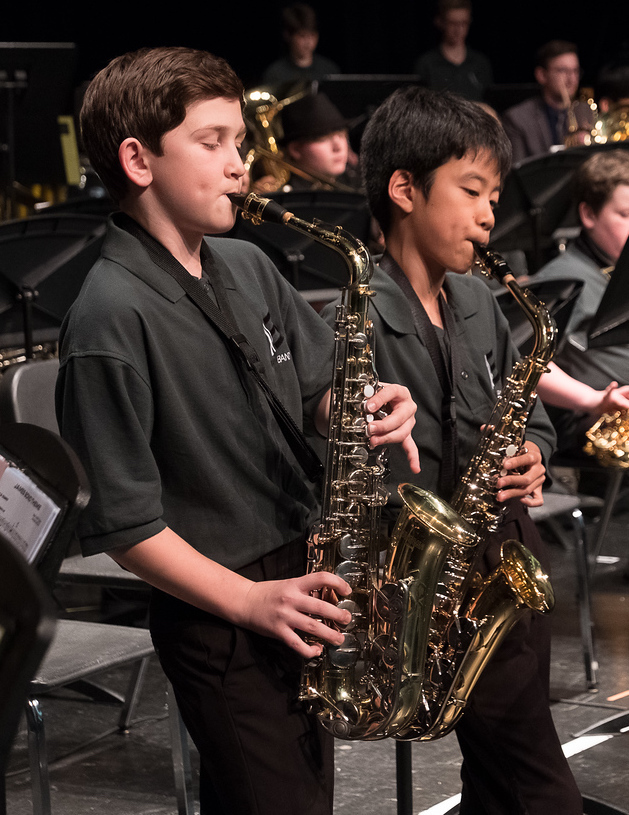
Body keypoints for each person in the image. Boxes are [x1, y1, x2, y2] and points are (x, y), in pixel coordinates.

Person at [54, 46, 419, 815]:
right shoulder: (107, 314)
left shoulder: (247, 264)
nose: (239, 166)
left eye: (241, 145)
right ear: (137, 159)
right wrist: (250, 603)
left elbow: (318, 390)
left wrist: (363, 407)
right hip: (220, 613)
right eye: (212, 142)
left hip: (300, 579)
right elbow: (126, 525)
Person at [319, 84, 583, 814]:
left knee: (499, 777)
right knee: (536, 781)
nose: (489, 214)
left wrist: (531, 448)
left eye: (494, 195)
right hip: (420, 585)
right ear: (404, 188)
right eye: (471, 191)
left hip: (500, 556)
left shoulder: (476, 298)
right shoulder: (351, 311)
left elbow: (518, 409)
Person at [532, 149, 629, 458]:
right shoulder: (561, 281)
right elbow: (526, 359)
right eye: (625, 215)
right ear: (588, 215)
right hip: (594, 435)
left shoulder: (616, 267)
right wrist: (593, 398)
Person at [502, 40, 594, 164]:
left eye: (575, 71)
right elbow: (516, 172)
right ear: (541, 75)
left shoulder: (586, 112)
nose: (571, 79)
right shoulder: (517, 118)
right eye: (562, 71)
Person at [413, 0, 493, 103]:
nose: (459, 30)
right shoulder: (427, 63)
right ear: (440, 22)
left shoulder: (480, 63)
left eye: (464, 23)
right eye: (453, 23)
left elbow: (490, 104)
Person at [261, 3, 340, 92]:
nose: (308, 42)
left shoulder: (329, 70)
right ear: (288, 36)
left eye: (312, 35)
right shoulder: (275, 74)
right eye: (302, 36)